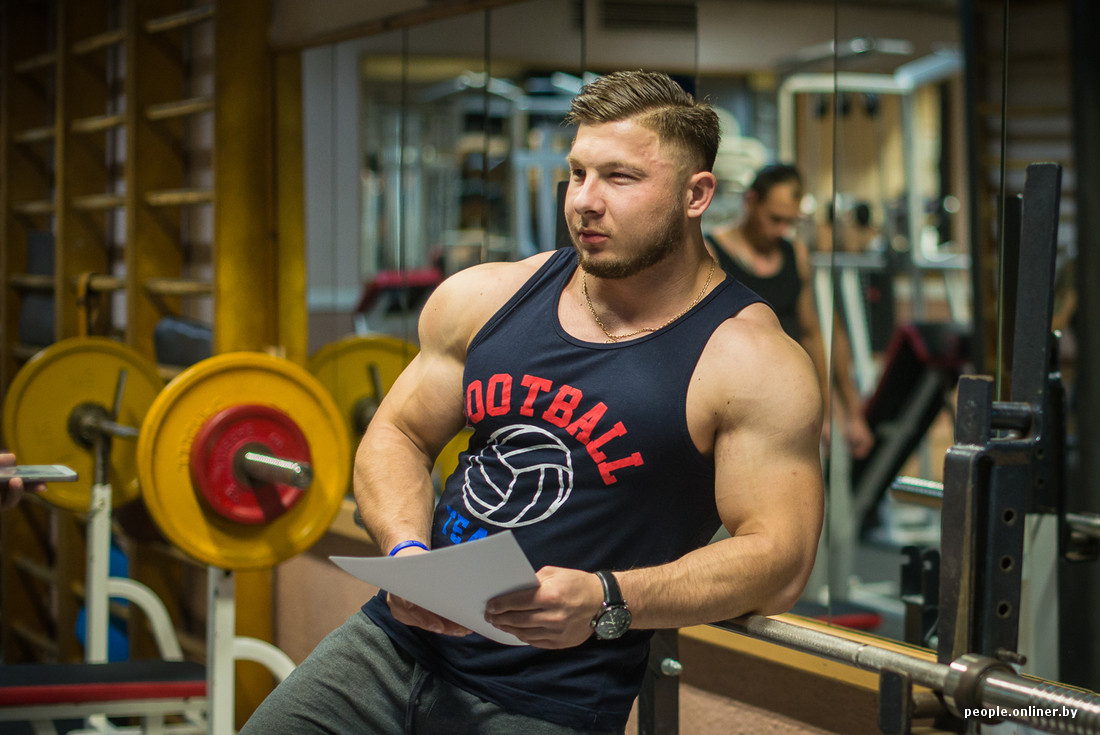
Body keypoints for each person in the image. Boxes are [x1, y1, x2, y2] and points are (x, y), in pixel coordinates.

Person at [242, 70, 824, 735]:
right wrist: (406, 554)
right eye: (577, 173)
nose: (585, 201)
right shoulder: (488, 298)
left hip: (549, 698)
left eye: (620, 178)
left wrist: (609, 597)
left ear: (696, 195)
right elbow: (398, 434)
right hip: (391, 648)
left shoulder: (749, 359)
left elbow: (779, 557)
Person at [706, 165, 875, 460]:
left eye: (789, 221)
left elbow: (812, 334)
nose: (781, 230)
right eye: (774, 219)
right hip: (737, 407)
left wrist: (840, 412)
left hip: (791, 400)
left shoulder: (795, 253)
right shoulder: (712, 253)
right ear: (751, 201)